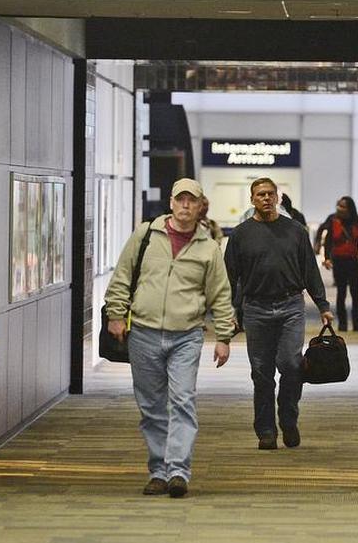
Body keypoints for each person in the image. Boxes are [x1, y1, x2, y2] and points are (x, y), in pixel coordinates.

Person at [103, 178, 235, 499]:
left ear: (201, 206)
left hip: (186, 336)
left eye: (192, 201)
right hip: (144, 333)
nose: (185, 206)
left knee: (183, 401)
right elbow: (123, 274)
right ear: (171, 203)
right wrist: (116, 314)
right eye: (180, 200)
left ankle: (178, 471)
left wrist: (224, 336)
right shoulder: (146, 235)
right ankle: (158, 471)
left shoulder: (209, 248)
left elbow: (220, 294)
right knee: (151, 406)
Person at [224, 177, 334, 450]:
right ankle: (266, 431)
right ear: (252, 200)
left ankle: (288, 418)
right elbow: (229, 276)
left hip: (290, 306)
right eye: (260, 194)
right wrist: (229, 311)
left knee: (291, 365)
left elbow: (310, 270)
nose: (266, 198)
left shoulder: (295, 231)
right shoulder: (240, 235)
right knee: (261, 372)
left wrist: (323, 306)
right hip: (255, 308)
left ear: (278, 197)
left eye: (270, 194)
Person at [319, 196, 358, 332]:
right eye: (338, 205)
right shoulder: (334, 222)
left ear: (350, 209)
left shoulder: (357, 224)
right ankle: (342, 323)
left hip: (353, 262)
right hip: (339, 261)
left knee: (355, 292)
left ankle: (357, 323)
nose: (339, 208)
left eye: (342, 206)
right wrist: (326, 258)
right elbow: (328, 242)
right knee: (341, 292)